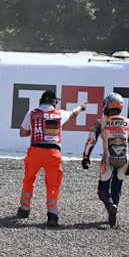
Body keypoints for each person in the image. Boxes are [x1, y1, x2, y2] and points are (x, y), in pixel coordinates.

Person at [16, 89, 86, 227]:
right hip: (53, 152)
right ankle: (52, 215)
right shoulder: (59, 114)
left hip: (35, 150)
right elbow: (74, 113)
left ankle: (25, 209)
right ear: (54, 102)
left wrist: (34, 130)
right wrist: (81, 106)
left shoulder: (32, 113)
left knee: (29, 179)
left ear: (41, 101)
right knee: (53, 184)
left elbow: (23, 133)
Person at [82, 93, 129, 228]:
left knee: (102, 189)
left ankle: (109, 205)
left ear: (107, 105)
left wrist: (85, 157)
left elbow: (91, 140)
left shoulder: (101, 122)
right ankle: (113, 213)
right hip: (125, 158)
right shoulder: (128, 122)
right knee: (117, 187)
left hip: (108, 158)